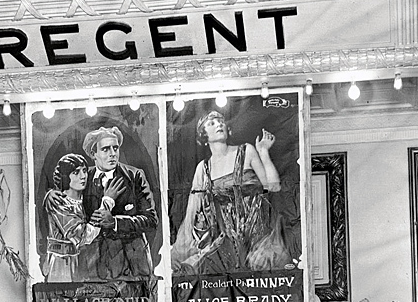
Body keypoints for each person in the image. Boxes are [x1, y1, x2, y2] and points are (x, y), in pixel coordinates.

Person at [171, 109, 288, 274]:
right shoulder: (203, 168)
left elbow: (273, 187)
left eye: (221, 121)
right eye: (211, 123)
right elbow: (193, 209)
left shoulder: (246, 151)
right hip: (226, 239)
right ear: (204, 136)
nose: (219, 124)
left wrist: (263, 152)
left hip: (258, 232)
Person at [81, 126, 158, 281]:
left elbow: (151, 220)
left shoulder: (134, 176)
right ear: (93, 154)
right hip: (95, 263)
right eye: (105, 149)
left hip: (133, 263)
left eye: (115, 148)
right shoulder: (83, 178)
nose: (112, 154)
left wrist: (115, 222)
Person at [42, 153, 101, 282]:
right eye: (76, 172)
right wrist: (106, 208)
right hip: (62, 264)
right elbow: (82, 235)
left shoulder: (84, 199)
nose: (83, 176)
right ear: (64, 177)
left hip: (82, 262)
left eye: (84, 171)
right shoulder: (58, 202)